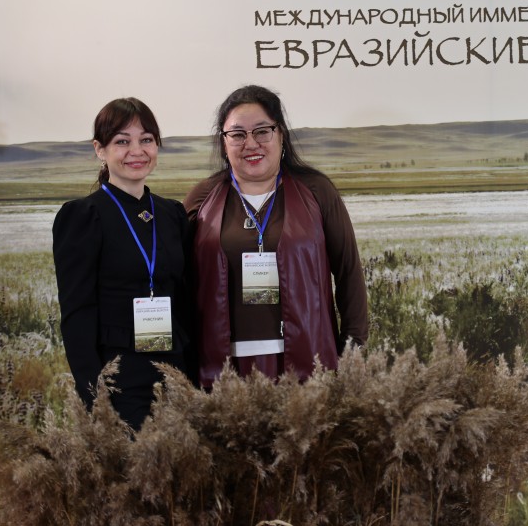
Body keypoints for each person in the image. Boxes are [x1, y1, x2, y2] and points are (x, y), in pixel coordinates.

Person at [184, 85, 367, 389]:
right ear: (224, 142)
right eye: (237, 134)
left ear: (280, 134)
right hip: (222, 368)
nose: (250, 143)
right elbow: (178, 279)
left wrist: (353, 350)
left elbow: (348, 273)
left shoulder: (317, 191)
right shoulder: (203, 198)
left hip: (309, 362)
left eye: (262, 131)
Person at [52, 97, 193, 430]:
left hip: (175, 371)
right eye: (122, 141)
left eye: (146, 139)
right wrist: (95, 400)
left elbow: (185, 301)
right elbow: (77, 315)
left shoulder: (172, 214)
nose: (137, 151)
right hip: (119, 380)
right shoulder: (83, 215)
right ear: (99, 150)